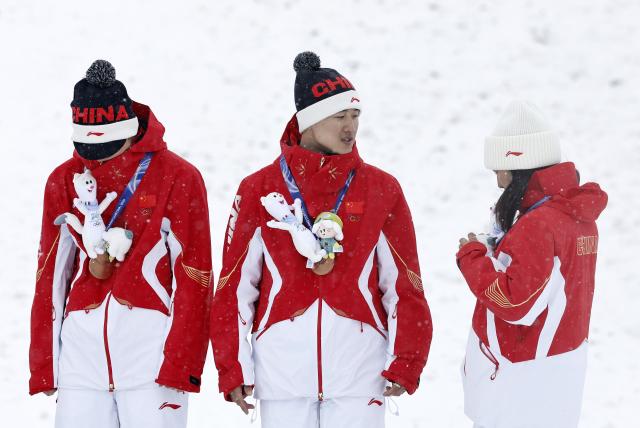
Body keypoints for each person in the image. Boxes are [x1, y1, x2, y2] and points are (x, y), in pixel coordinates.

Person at [210, 52, 432, 428]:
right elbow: (234, 288)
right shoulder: (259, 189)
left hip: (361, 375)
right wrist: (233, 368)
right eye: (339, 117)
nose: (351, 127)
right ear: (309, 122)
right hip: (282, 376)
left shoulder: (381, 189)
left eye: (355, 116)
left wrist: (406, 359)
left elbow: (405, 285)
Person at [29, 60, 213, 428]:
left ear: (130, 130)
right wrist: (44, 366)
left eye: (106, 147)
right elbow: (50, 274)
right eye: (86, 149)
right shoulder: (63, 179)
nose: (95, 161)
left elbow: (196, 276)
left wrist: (181, 363)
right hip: (81, 358)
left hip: (152, 356)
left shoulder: (178, 177)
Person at [456, 100, 608, 428]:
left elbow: (516, 304)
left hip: (521, 380)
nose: (497, 180)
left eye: (500, 168)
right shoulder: (575, 215)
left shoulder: (539, 224)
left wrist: (472, 258)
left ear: (519, 167)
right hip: (560, 370)